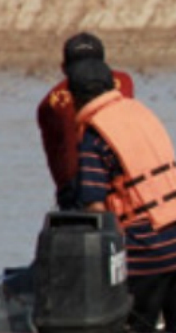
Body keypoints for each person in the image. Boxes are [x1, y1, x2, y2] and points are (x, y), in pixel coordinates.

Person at [68, 58, 176, 333]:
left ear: (76, 98)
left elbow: (95, 207)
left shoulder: (95, 135)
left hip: (145, 255)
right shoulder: (142, 112)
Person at [37, 32, 135, 209]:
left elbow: (56, 162)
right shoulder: (124, 82)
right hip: (123, 181)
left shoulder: (49, 104)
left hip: (76, 190)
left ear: (64, 68)